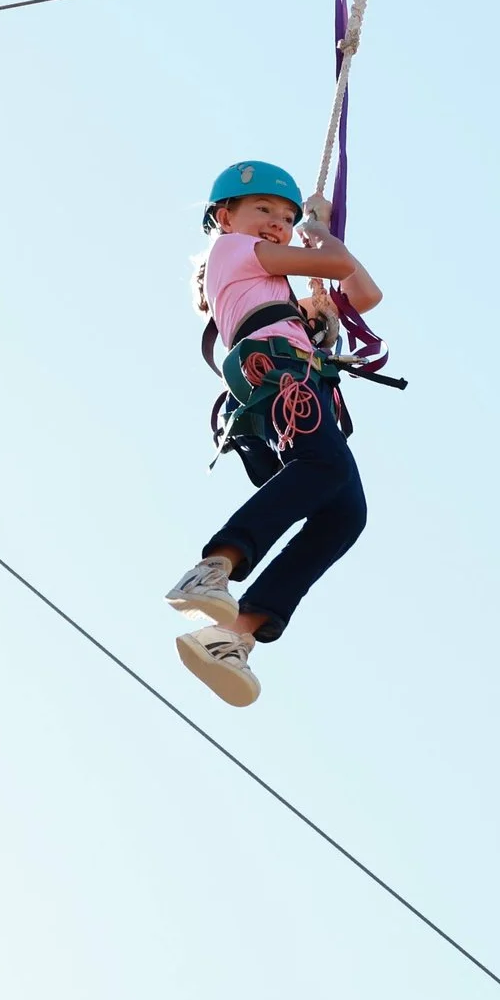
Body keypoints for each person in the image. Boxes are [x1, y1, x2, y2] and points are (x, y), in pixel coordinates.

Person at [166, 160, 382, 704]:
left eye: (285, 217)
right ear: (224, 217)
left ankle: (233, 637)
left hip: (300, 376)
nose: (276, 223)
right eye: (263, 209)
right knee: (323, 467)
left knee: (345, 514)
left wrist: (317, 246)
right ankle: (215, 566)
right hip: (278, 370)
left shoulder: (274, 288)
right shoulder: (232, 251)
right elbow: (337, 263)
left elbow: (365, 293)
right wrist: (315, 231)